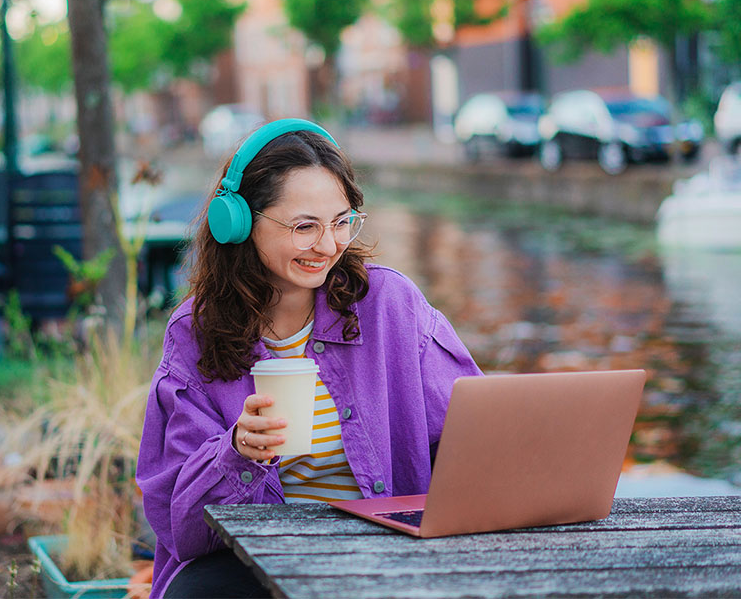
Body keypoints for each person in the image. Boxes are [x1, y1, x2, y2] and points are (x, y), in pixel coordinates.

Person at [136, 119, 482, 598]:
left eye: (342, 222)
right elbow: (182, 530)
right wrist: (236, 452)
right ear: (237, 221)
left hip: (388, 551)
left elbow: (475, 435)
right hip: (256, 562)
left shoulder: (391, 304)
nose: (328, 245)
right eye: (304, 227)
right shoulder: (193, 334)